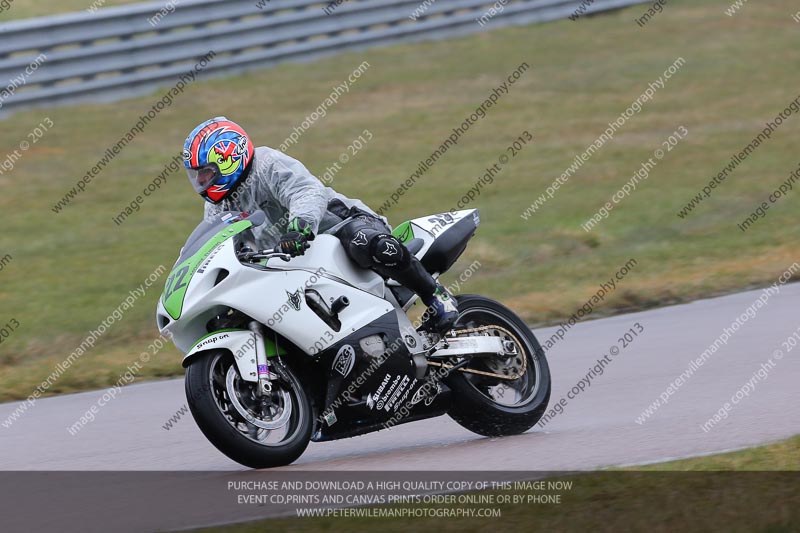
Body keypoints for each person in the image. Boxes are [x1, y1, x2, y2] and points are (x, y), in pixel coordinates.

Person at [182, 116, 458, 333]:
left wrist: (299, 227)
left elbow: (305, 191)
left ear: (228, 158)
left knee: (366, 243)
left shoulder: (267, 163)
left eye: (206, 173)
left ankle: (436, 296)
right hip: (291, 261)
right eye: (197, 176)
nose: (202, 182)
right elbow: (215, 241)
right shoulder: (219, 205)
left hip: (339, 226)